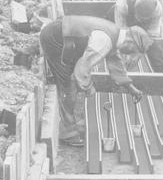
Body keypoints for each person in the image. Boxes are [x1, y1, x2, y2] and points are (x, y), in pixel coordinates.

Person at [40, 15, 153, 146]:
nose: (129, 54)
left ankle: (73, 123)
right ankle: (68, 133)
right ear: (130, 42)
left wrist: (131, 88)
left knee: (71, 83)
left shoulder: (115, 35)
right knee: (68, 85)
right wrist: (89, 88)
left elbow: (117, 67)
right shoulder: (104, 41)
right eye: (132, 51)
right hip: (56, 38)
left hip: (63, 35)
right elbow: (82, 69)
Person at [107, 0, 163, 72]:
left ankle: (162, 74)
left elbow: (152, 36)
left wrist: (138, 54)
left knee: (154, 47)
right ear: (135, 11)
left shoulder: (157, 9)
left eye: (144, 20)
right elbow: (120, 30)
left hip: (144, 28)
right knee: (109, 33)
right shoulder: (123, 2)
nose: (140, 21)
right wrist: (125, 53)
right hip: (123, 19)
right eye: (139, 18)